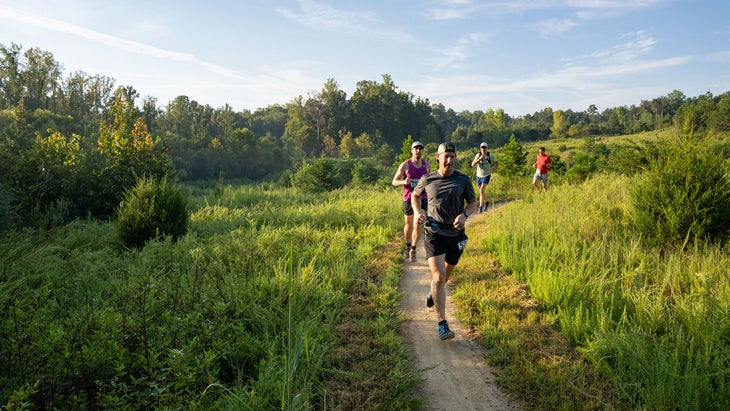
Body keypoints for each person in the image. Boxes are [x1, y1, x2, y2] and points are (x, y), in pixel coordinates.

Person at [412, 142, 477, 340]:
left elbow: (473, 202)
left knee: (445, 277)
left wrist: (465, 214)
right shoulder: (427, 179)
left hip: (455, 234)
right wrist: (418, 212)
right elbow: (415, 195)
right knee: (439, 277)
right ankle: (442, 323)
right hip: (434, 232)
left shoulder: (463, 180)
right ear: (437, 157)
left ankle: (433, 293)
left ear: (455, 158)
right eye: (445, 156)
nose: (448, 160)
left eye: (452, 157)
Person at [392, 141, 430, 262]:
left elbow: (430, 181)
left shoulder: (427, 165)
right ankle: (408, 245)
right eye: (416, 149)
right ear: (412, 151)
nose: (418, 151)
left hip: (422, 198)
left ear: (423, 151)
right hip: (408, 199)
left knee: (418, 223)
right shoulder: (405, 165)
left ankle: (413, 249)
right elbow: (394, 181)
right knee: (408, 225)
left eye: (420, 149)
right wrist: (404, 182)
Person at [470, 142, 498, 213]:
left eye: (484, 147)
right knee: (481, 192)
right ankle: (486, 202)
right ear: (480, 148)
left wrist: (494, 169)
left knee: (482, 190)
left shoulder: (490, 155)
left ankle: (480, 208)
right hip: (478, 175)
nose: (483, 149)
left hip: (486, 175)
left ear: (487, 148)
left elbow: (497, 163)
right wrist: (479, 159)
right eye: (482, 147)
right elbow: (472, 164)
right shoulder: (478, 155)